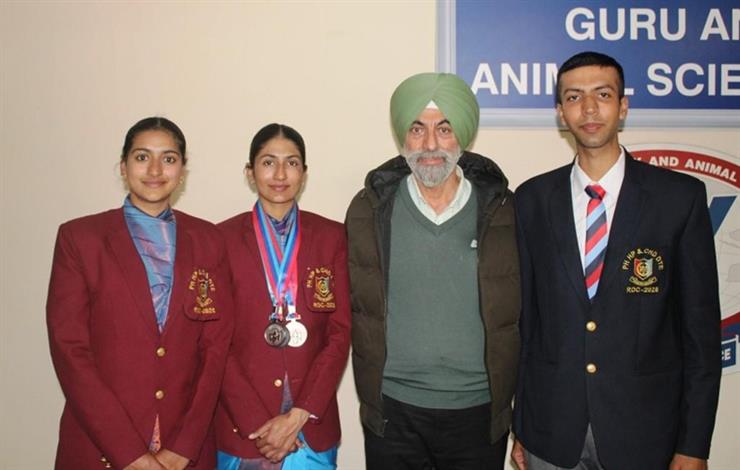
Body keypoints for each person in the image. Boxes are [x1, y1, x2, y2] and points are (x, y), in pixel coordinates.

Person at [512, 51, 722, 470]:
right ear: (561, 113)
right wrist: (521, 426)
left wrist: (694, 444)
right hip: (551, 433)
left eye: (603, 94)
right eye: (574, 97)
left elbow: (700, 333)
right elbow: (526, 325)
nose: (589, 108)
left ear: (623, 106)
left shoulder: (678, 198)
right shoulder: (531, 200)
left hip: (646, 433)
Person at [345, 72, 520, 469]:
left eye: (444, 129)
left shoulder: (504, 210)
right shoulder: (368, 209)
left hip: (478, 412)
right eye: (416, 129)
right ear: (402, 136)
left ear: (463, 135)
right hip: (393, 411)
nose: (429, 145)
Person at [46, 116, 234, 470]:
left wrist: (184, 447)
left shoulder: (208, 240)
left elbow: (215, 350)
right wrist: (130, 454)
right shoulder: (81, 239)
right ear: (123, 166)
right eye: (142, 157)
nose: (155, 170)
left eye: (169, 158)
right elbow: (70, 350)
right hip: (100, 446)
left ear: (182, 170)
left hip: (185, 451)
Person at [215, 123, 351, 469]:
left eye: (291, 163)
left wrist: (300, 413)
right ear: (250, 172)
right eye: (268, 162)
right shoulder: (219, 240)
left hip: (311, 427)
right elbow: (215, 342)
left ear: (304, 173)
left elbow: (340, 334)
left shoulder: (332, 237)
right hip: (243, 431)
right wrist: (258, 424)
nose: (279, 174)